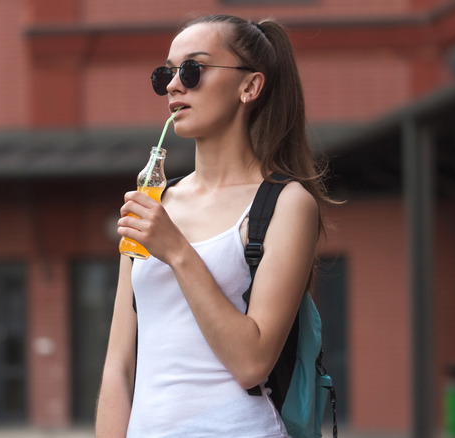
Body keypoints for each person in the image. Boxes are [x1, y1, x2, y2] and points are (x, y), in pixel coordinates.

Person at [96, 14, 334, 437]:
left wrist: (177, 251)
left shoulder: (286, 204)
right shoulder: (154, 201)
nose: (173, 85)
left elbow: (251, 363)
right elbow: (118, 364)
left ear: (250, 86)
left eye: (193, 69)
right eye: (166, 73)